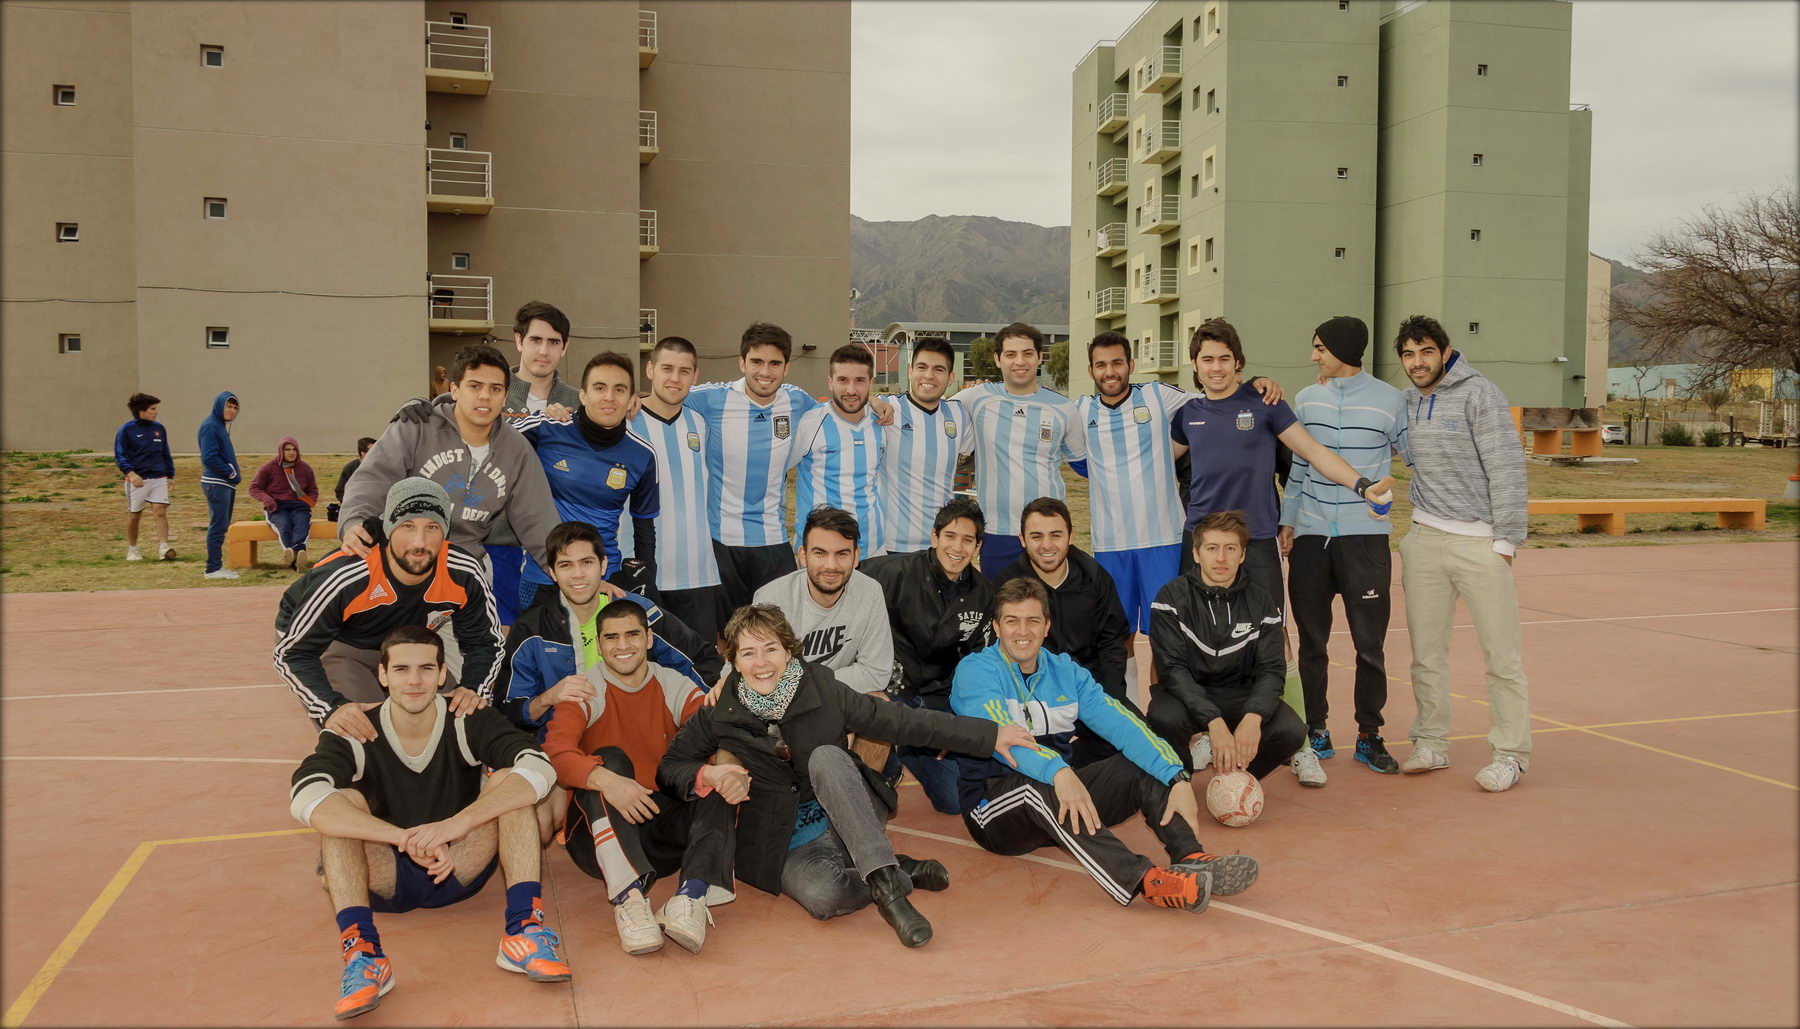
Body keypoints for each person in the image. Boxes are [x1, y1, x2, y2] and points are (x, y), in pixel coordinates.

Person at [657, 604, 1034, 947]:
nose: (761, 663)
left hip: (848, 808)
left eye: (770, 648)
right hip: (784, 840)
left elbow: (902, 721)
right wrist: (711, 772)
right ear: (734, 663)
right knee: (824, 898)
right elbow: (671, 766)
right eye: (748, 653)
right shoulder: (718, 713)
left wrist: (989, 735)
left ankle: (891, 895)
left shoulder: (823, 688)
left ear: (789, 650)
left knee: (826, 757)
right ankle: (894, 868)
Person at [289, 625, 569, 1021]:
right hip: (384, 874)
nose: (415, 680)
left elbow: (538, 767)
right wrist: (403, 838)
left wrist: (455, 825)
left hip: (459, 862)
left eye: (426, 668)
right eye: (402, 669)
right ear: (382, 676)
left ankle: (523, 930)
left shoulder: (467, 716)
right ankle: (363, 955)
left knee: (511, 782)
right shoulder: (356, 727)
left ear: (442, 674)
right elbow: (306, 796)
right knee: (340, 807)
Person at [950, 576, 1259, 911]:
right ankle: (1146, 881)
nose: (1022, 631)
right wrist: (1059, 771)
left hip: (1059, 794)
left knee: (1141, 765)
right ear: (996, 627)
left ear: (1047, 626)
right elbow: (1005, 739)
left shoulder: (1066, 672)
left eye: (1032, 621)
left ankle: (1191, 857)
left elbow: (1124, 725)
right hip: (992, 808)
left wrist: (1176, 776)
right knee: (1037, 789)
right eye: (1011, 621)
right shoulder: (976, 672)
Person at [541, 601, 735, 956]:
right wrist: (609, 781)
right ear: (598, 645)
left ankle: (690, 897)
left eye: (632, 634)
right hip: (598, 839)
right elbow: (556, 751)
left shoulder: (672, 683)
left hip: (660, 835)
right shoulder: (586, 689)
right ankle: (629, 899)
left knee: (714, 776)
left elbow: (714, 731)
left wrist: (721, 765)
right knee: (609, 757)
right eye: (611, 637)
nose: (622, 645)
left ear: (648, 638)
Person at [1392, 315, 1531, 792]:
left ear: (1445, 352)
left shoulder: (1479, 394)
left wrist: (1506, 542)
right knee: (1426, 656)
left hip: (1480, 542)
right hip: (1425, 541)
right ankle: (1431, 742)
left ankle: (1511, 754)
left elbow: (1507, 467)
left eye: (1425, 351)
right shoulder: (1409, 403)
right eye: (1408, 354)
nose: (1417, 362)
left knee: (1501, 656)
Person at [1170, 318, 1393, 616]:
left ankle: (1282, 668)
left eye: (1224, 358)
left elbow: (1313, 451)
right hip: (1202, 537)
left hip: (1256, 537)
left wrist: (1362, 486)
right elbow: (1154, 463)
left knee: (1272, 632)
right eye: (1207, 359)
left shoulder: (1266, 402)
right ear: (1195, 365)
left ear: (1238, 362)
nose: (1216, 368)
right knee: (1200, 627)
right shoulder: (1187, 414)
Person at [1074, 333, 1283, 641]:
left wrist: (1253, 382)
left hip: (1164, 539)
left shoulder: (1159, 395)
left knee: (1171, 634)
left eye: (1117, 363)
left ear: (1130, 365)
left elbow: (1215, 394)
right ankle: (1122, 692)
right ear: (1090, 370)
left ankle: (1169, 692)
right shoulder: (1079, 410)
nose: (1110, 372)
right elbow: (1073, 455)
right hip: (1110, 543)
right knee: (1116, 635)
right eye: (1101, 365)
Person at [1277, 316, 1410, 785]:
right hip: (1311, 537)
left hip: (1365, 539)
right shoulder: (1307, 397)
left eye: (1320, 348)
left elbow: (1413, 457)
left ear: (1342, 349)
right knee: (1312, 643)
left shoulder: (1392, 402)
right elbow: (1298, 464)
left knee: (1368, 646)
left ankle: (1370, 734)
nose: (1314, 356)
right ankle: (1316, 731)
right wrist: (1289, 518)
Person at [274, 478, 501, 737]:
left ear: (446, 533)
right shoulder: (348, 574)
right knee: (366, 736)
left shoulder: (463, 572)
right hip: (335, 644)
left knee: (450, 727)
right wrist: (332, 707)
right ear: (389, 529)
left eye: (432, 527)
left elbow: (485, 642)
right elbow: (294, 653)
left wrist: (472, 689)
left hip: (404, 645)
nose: (419, 542)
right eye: (407, 526)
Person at [339, 344, 560, 583]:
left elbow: (538, 517)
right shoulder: (416, 427)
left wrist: (565, 566)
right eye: (474, 386)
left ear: (505, 396)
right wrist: (354, 522)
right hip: (404, 561)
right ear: (455, 389)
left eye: (495, 388)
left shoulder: (517, 450)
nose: (485, 396)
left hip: (465, 565)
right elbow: (373, 478)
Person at [500, 521, 704, 739]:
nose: (578, 574)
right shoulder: (532, 630)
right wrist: (548, 698)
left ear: (603, 565)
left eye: (586, 562)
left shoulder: (638, 611)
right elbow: (508, 711)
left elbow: (699, 661)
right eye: (566, 565)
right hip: (566, 742)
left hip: (642, 733)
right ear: (553, 573)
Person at [1147, 510, 1307, 781]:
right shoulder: (1170, 597)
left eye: (1230, 548)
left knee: (1291, 730)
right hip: (1188, 694)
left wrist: (1254, 715)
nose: (1221, 558)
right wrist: (1214, 722)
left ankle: (1236, 780)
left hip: (1240, 694)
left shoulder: (1261, 600)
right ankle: (1179, 780)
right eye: (1212, 548)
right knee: (1162, 717)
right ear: (1197, 554)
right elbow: (1172, 670)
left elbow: (1271, 669)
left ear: (1242, 554)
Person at [858, 497, 995, 814]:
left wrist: (962, 723)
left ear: (978, 546)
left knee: (954, 800)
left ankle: (907, 748)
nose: (957, 548)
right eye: (950, 536)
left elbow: (981, 667)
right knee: (870, 757)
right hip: (889, 690)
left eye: (967, 540)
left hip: (935, 698)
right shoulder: (891, 573)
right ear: (935, 537)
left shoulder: (985, 595)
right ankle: (885, 759)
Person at [685, 323, 822, 611]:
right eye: (757, 361)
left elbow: (836, 413)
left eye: (775, 363)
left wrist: (874, 402)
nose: (765, 371)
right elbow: (663, 398)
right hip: (721, 541)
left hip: (773, 539)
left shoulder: (797, 401)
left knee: (779, 628)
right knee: (727, 634)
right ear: (742, 362)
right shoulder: (712, 399)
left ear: (786, 368)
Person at [513, 352, 658, 611]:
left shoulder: (643, 455)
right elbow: (487, 431)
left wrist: (647, 581)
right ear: (582, 395)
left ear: (631, 399)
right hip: (544, 576)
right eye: (599, 388)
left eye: (620, 389)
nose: (609, 397)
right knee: (539, 651)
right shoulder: (547, 428)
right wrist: (438, 405)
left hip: (604, 577)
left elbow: (644, 529)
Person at [993, 497, 1133, 767]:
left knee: (1137, 741)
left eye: (1055, 535)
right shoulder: (1007, 584)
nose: (1046, 545)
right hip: (1033, 696)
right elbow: (998, 654)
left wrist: (1109, 704)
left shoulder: (1095, 577)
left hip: (1089, 689)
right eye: (1036, 536)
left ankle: (1072, 766)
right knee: (1016, 756)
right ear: (1022, 539)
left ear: (1070, 536)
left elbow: (1112, 643)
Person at [948, 323, 1086, 572]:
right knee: (1001, 608)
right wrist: (880, 403)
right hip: (998, 531)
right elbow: (929, 412)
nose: (1019, 361)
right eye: (1011, 354)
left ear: (1040, 357)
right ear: (997, 359)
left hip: (1047, 533)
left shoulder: (1064, 408)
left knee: (1048, 609)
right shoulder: (975, 398)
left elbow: (1083, 462)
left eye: (1027, 353)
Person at [628, 336, 727, 678]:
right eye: (667, 368)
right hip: (645, 572)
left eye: (684, 371)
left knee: (701, 670)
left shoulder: (700, 424)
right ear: (650, 369)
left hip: (698, 573)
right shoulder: (627, 421)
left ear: (695, 375)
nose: (675, 378)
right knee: (646, 670)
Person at [487, 301, 582, 626]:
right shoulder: (493, 395)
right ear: (518, 341)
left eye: (553, 342)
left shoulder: (580, 401)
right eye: (535, 340)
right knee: (505, 639)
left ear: (565, 347)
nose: (544, 350)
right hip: (499, 543)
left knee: (560, 642)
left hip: (560, 547)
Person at [754, 507, 895, 696]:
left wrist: (811, 685)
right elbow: (756, 670)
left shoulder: (870, 591)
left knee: (878, 701)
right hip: (782, 700)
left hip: (831, 695)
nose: (831, 565)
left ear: (856, 557)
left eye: (842, 554)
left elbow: (876, 672)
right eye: (820, 553)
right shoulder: (771, 598)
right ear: (803, 556)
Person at [874, 337, 973, 555]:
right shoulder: (888, 407)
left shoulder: (959, 414)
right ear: (910, 371)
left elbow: (968, 459)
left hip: (939, 544)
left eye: (938, 369)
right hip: (889, 545)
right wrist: (871, 400)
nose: (928, 376)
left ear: (950, 377)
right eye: (922, 367)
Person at [788, 345, 888, 559]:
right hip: (823, 554)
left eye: (860, 381)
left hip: (873, 550)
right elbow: (778, 472)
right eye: (842, 380)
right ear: (830, 382)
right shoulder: (810, 423)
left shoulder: (882, 421)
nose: (851, 390)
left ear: (871, 383)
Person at [115, 392, 176, 562]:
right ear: (141, 411)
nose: (156, 412)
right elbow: (120, 455)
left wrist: (170, 475)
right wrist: (131, 474)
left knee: (160, 511)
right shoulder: (126, 430)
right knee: (135, 515)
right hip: (137, 480)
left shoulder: (159, 429)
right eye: (153, 409)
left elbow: (165, 453)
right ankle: (132, 549)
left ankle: (164, 548)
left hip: (158, 478)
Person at [249, 436, 321, 570]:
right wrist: (268, 500)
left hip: (299, 505)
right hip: (277, 506)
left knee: (302, 522)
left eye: (294, 449)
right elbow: (254, 488)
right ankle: (291, 554)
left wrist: (309, 502)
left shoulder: (305, 468)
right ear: (281, 451)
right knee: (284, 524)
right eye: (287, 449)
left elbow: (313, 490)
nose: (291, 452)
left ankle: (299, 552)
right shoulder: (268, 468)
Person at [198, 391, 242, 579]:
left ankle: (216, 566)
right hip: (216, 483)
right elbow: (209, 457)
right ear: (218, 405)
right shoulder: (210, 426)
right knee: (218, 525)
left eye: (235, 407)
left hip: (224, 483)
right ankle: (213, 568)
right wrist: (230, 471)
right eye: (228, 406)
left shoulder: (220, 426)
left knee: (221, 525)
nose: (231, 410)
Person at [330, 437, 377, 524]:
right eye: (374, 451)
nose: (378, 453)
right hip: (355, 511)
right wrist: (352, 504)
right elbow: (340, 491)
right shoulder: (350, 468)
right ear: (363, 454)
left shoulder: (382, 468)